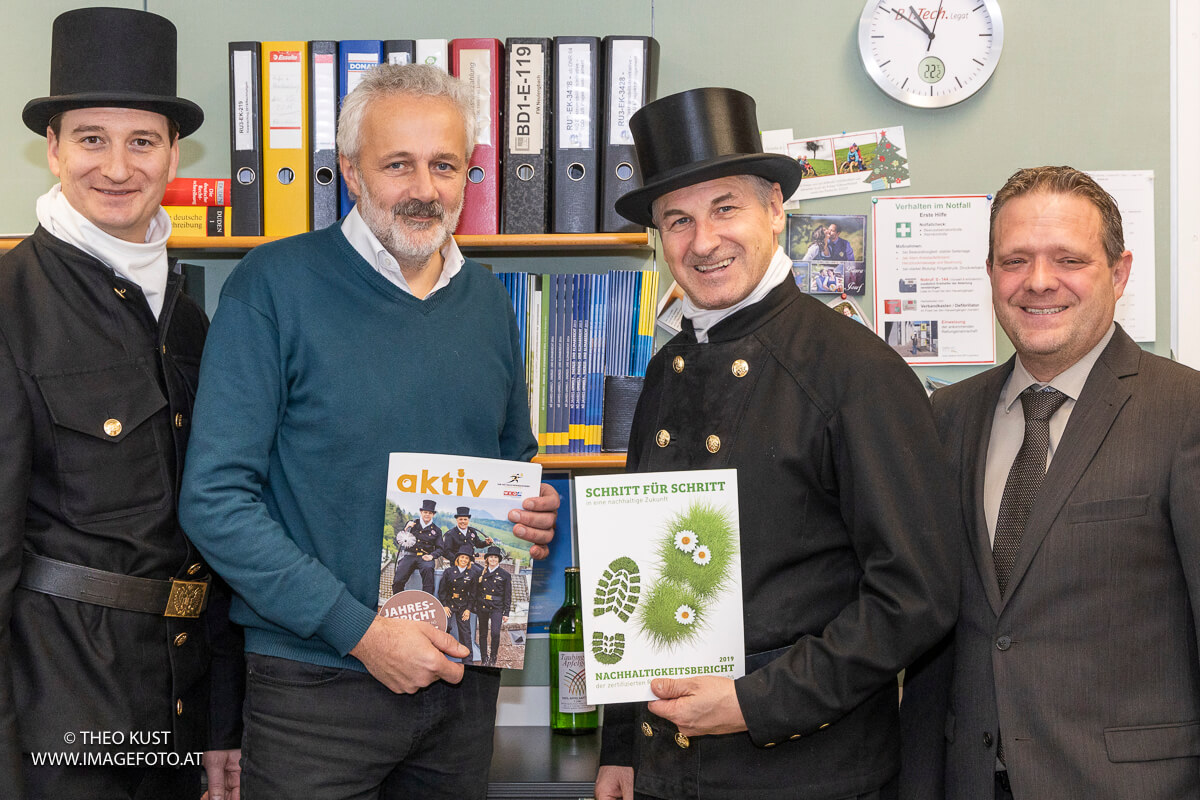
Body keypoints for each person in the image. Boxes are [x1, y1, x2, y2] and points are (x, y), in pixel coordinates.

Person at [178, 64, 558, 800]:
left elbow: (512, 462)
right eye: (397, 164)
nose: (425, 188)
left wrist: (528, 516)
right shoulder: (271, 286)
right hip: (316, 691)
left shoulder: (489, 301)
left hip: (462, 684)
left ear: (468, 173)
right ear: (351, 173)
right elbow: (215, 502)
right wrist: (360, 632)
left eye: (444, 165)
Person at [596, 87, 958, 800]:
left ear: (774, 209)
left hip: (809, 774)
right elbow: (643, 579)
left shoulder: (856, 370)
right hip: (668, 771)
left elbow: (916, 596)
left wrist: (754, 703)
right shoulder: (664, 371)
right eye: (678, 220)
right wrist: (623, 748)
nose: (703, 242)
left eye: (724, 208)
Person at [897, 166, 1200, 800]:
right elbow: (935, 638)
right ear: (990, 274)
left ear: (1119, 273)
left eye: (1069, 259)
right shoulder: (947, 416)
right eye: (1015, 261)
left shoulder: (1185, 411)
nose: (1038, 281)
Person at [0, 8, 243, 799]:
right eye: (91, 139)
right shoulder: (9, 305)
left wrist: (220, 724)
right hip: (52, 706)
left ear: (174, 153)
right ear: (53, 149)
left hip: (173, 700)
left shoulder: (192, 321)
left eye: (141, 141)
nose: (115, 167)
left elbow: (213, 533)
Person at [392, 498, 443, 594]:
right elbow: (400, 540)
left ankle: (427, 600)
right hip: (409, 556)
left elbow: (440, 549)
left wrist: (432, 556)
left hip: (425, 557)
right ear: (421, 512)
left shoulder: (436, 530)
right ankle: (398, 599)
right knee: (398, 579)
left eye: (430, 513)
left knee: (428, 575)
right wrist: (406, 528)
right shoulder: (412, 525)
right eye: (425, 512)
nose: (427, 515)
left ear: (433, 514)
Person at [474, 546, 513, 668]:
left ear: (498, 559)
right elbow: (476, 591)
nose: (493, 559)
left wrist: (506, 612)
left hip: (497, 607)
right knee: (483, 633)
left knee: (495, 633)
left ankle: (493, 657)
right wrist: (476, 605)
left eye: (495, 557)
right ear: (487, 559)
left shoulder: (505, 575)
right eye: (491, 557)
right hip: (483, 606)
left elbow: (508, 595)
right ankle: (484, 658)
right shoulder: (481, 573)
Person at [437, 547, 480, 654]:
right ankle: (441, 656)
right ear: (458, 559)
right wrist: (444, 605)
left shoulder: (472, 574)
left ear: (469, 561)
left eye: (466, 558)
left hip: (463, 605)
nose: (464, 560)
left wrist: (468, 609)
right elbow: (442, 590)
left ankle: (468, 659)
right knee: (444, 628)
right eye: (462, 557)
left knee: (465, 633)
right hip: (449, 604)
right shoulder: (449, 572)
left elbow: (473, 594)